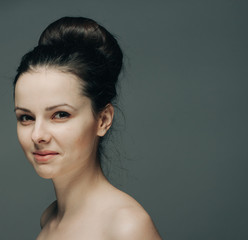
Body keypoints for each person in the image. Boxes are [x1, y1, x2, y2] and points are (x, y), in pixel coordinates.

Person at [13, 16, 161, 240]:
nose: (37, 135)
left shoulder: (126, 227)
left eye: (60, 115)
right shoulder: (49, 219)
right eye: (26, 117)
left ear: (102, 120)